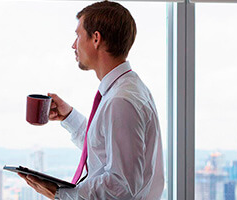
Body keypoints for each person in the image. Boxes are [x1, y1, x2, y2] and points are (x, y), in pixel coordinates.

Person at [18, 1, 164, 199]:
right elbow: (103, 152)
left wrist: (61, 194)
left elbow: (121, 186)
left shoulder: (121, 101)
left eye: (78, 35)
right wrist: (69, 116)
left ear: (96, 39)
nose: (73, 44)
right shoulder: (125, 89)